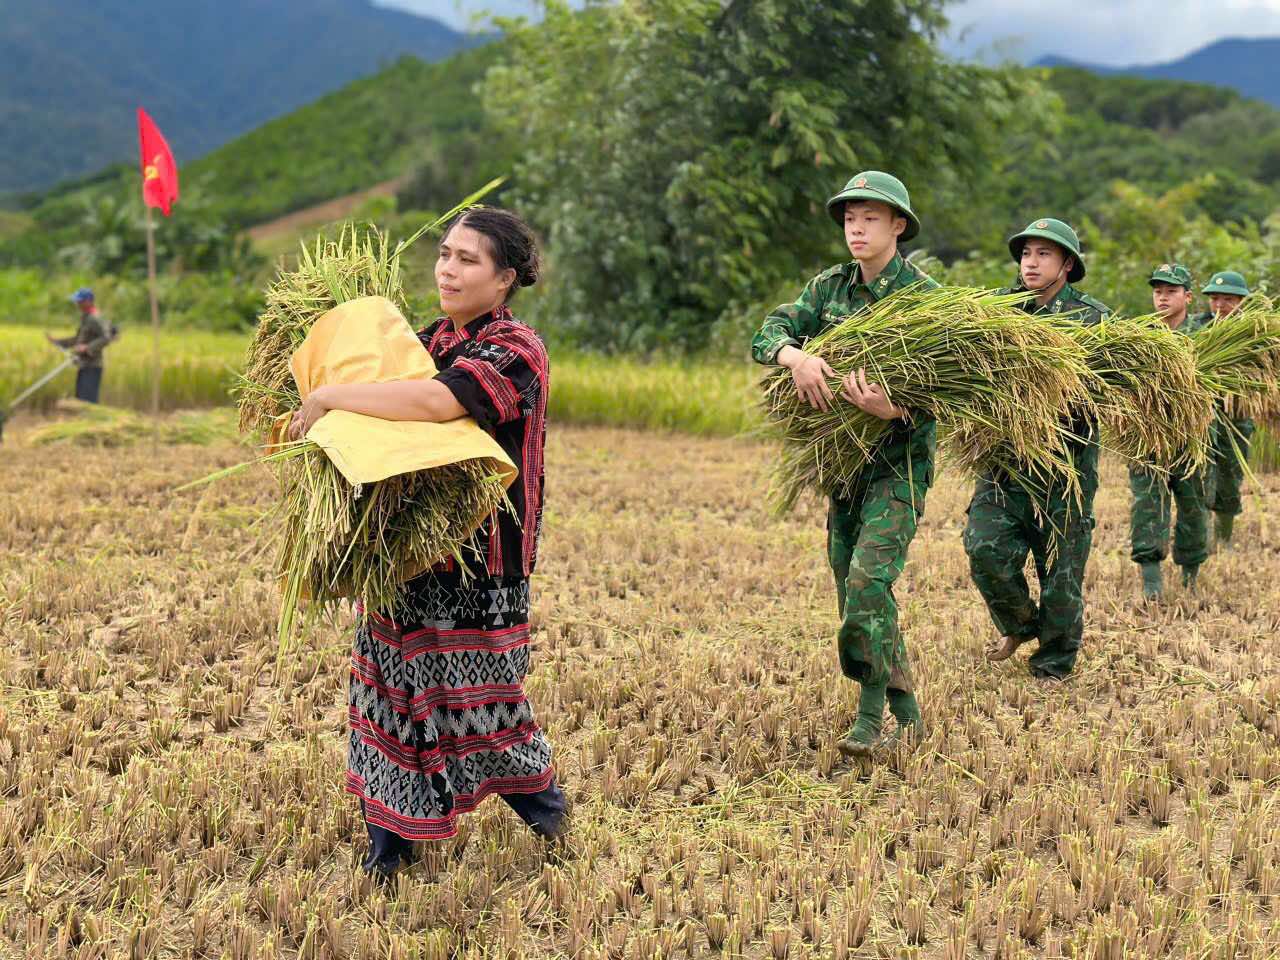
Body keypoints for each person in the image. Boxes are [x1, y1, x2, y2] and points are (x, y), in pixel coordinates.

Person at [287, 207, 565, 880]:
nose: (448, 268)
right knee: (386, 698)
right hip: (401, 550)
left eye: (468, 260)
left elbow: (440, 402)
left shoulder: (515, 348)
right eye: (445, 254)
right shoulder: (422, 339)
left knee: (482, 707)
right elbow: (385, 399)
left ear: (505, 279)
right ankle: (389, 848)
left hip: (480, 559)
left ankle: (546, 811)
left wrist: (331, 394)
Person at [751, 171, 937, 757]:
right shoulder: (828, 288)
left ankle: (869, 713)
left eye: (871, 218)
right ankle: (905, 706)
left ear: (898, 226)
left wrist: (897, 408)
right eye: (850, 218)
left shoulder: (926, 300)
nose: (857, 228)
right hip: (842, 465)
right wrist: (795, 357)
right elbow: (768, 331)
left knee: (867, 583)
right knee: (853, 590)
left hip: (899, 463)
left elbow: (953, 390)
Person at [964, 218, 1110, 680]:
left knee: (1061, 575)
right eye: (1026, 254)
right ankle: (1021, 623)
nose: (1031, 262)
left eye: (1044, 254)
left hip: (1065, 465)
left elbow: (1108, 391)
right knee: (983, 548)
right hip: (1004, 461)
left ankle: (1053, 665)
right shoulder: (998, 311)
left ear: (1066, 264)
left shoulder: (1093, 319)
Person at [1128, 264, 1213, 599]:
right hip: (1147, 434)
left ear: (1188, 297)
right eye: (1158, 291)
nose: (1162, 297)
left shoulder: (1205, 336)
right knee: (1147, 502)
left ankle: (1190, 574)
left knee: (1193, 504)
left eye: (1171, 291)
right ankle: (1151, 581)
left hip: (1194, 433)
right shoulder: (1139, 337)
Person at [1201, 270, 1255, 549]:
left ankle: (1224, 537)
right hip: (1202, 417)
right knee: (1199, 476)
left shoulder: (1255, 333)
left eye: (1228, 299)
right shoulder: (1198, 328)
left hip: (1238, 417)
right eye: (1216, 299)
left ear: (1241, 301)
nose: (1220, 305)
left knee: (1230, 476)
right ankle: (1200, 535)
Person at [46, 287, 112, 403]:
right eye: (77, 301)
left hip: (92, 366)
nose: (77, 304)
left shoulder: (95, 318)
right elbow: (78, 340)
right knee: (80, 399)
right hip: (84, 365)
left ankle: (92, 421)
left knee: (87, 402)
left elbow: (106, 337)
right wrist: (57, 342)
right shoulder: (85, 318)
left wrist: (87, 348)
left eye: (80, 301)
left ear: (89, 301)